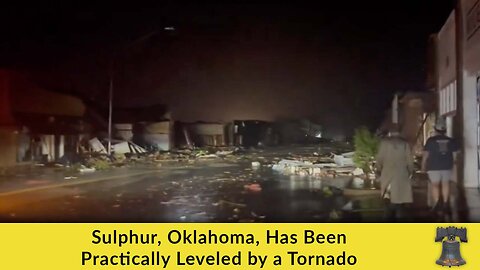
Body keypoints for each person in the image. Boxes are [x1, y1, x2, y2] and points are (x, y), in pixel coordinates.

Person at [421, 120, 460, 213]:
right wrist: (454, 165)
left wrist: (423, 166)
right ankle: (446, 203)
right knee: (445, 184)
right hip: (447, 165)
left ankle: (437, 203)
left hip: (433, 166)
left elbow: (426, 155)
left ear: (435, 129)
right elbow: (455, 155)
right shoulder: (451, 141)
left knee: (435, 185)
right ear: (445, 130)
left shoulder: (430, 141)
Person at [376, 129, 414, 221]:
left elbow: (380, 158)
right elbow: (409, 160)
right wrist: (410, 171)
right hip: (401, 174)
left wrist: (378, 170)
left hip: (388, 173)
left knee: (387, 198)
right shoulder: (405, 144)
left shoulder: (384, 143)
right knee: (400, 200)